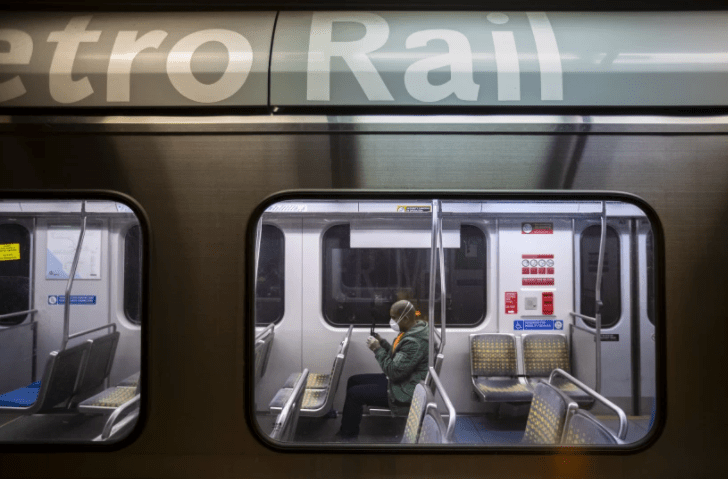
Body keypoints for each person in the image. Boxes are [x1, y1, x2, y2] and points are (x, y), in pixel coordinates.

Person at [334, 300, 429, 441]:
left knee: (355, 394)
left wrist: (377, 349)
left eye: (394, 318)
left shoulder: (414, 342)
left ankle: (347, 437)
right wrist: (383, 343)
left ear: (407, 318)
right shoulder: (411, 331)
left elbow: (394, 372)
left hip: (404, 390)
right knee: (353, 380)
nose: (392, 321)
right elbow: (400, 357)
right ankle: (349, 427)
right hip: (403, 380)